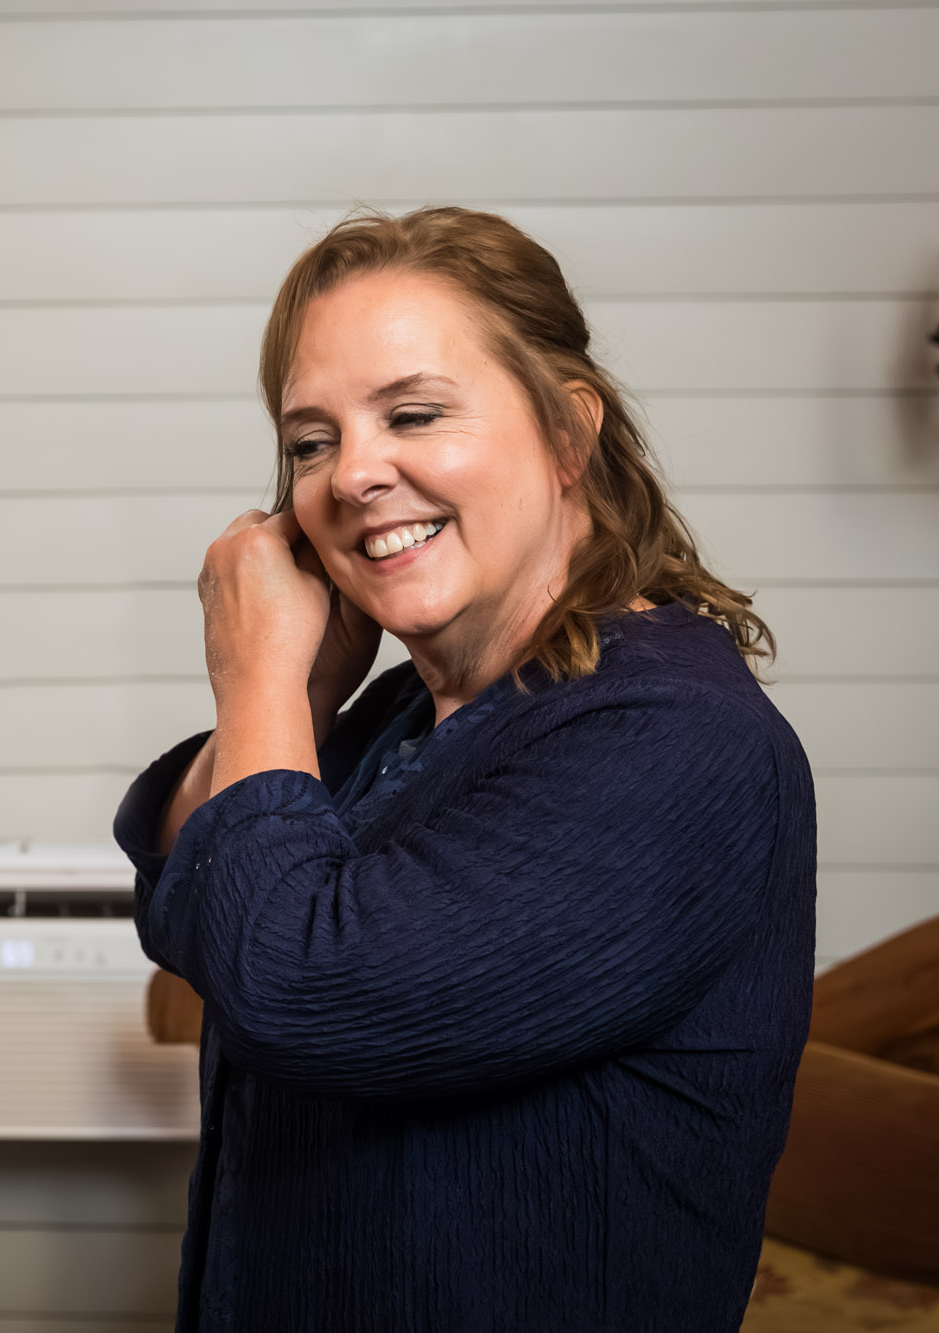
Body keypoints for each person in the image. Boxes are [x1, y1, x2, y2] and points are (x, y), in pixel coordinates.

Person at [114, 207, 815, 1332]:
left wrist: (251, 676)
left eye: (413, 414)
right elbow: (189, 890)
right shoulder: (404, 710)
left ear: (566, 432)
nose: (348, 478)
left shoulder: (670, 735)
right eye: (308, 441)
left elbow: (290, 986)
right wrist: (293, 695)